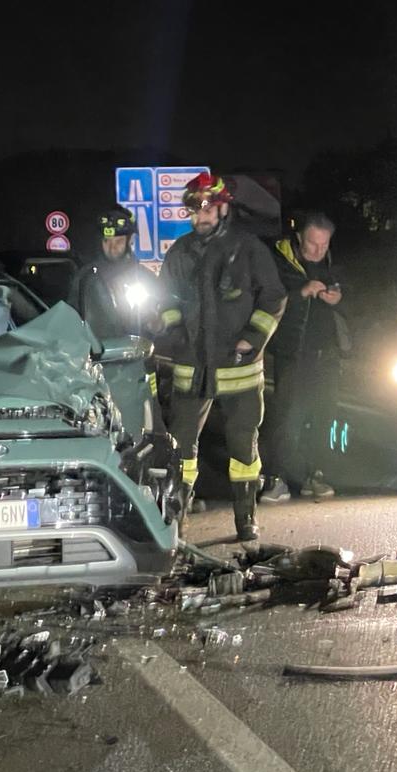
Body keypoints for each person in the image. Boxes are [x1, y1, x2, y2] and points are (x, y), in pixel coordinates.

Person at [158, 172, 287, 542]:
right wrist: (175, 332)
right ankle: (177, 522)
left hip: (240, 370)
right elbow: (165, 298)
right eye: (194, 210)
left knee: (244, 449)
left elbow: (274, 297)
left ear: (223, 207)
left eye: (207, 209)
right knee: (181, 450)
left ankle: (246, 519)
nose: (201, 217)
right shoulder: (179, 252)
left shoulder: (247, 248)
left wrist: (253, 339)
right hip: (191, 370)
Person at [260, 212, 349, 504]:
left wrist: (339, 296)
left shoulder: (331, 262)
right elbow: (268, 298)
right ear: (299, 239)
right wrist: (301, 292)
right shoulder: (279, 261)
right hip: (293, 353)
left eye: (323, 245)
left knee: (324, 416)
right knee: (287, 418)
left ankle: (317, 475)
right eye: (313, 244)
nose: (317, 251)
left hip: (328, 354)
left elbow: (348, 292)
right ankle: (277, 478)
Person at [81, 207, 163, 432]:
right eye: (107, 241)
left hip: (137, 366)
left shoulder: (143, 278)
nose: (112, 247)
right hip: (97, 364)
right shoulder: (86, 277)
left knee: (148, 421)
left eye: (118, 241)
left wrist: (156, 322)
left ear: (129, 241)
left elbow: (163, 319)